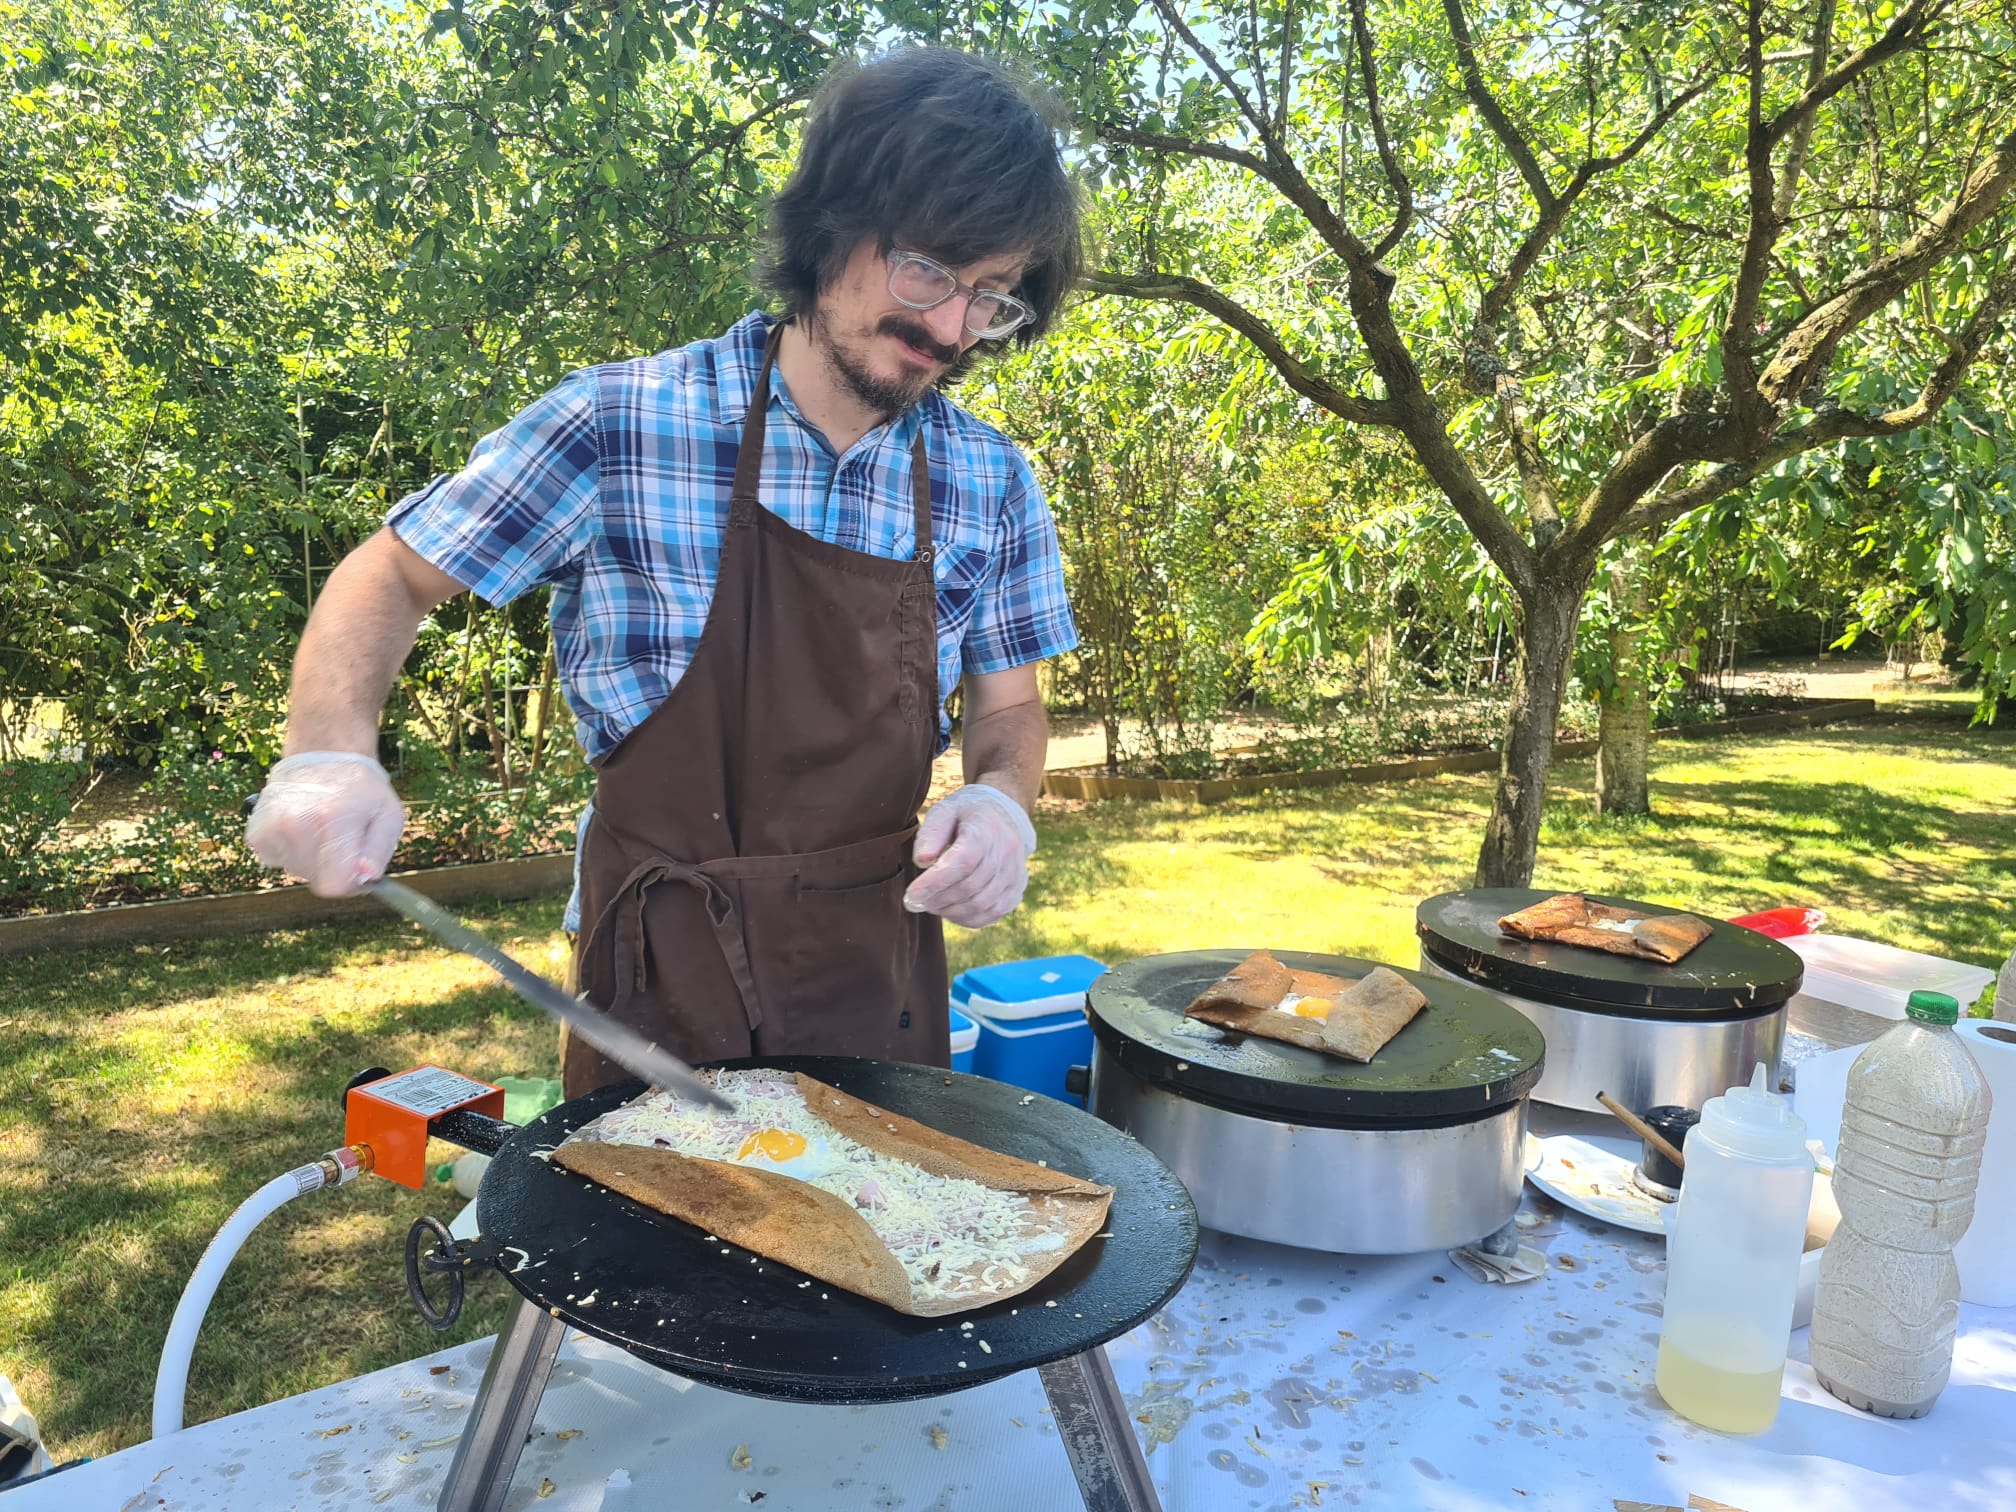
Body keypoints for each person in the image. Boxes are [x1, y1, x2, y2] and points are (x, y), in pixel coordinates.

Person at [246, 48, 1085, 1096]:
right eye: (930, 271)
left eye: (993, 297)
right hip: (657, 975)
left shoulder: (989, 480)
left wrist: (1003, 802)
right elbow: (390, 576)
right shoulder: (623, 422)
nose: (953, 328)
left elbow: (1011, 711)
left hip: (877, 979)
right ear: (833, 225)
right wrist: (328, 754)